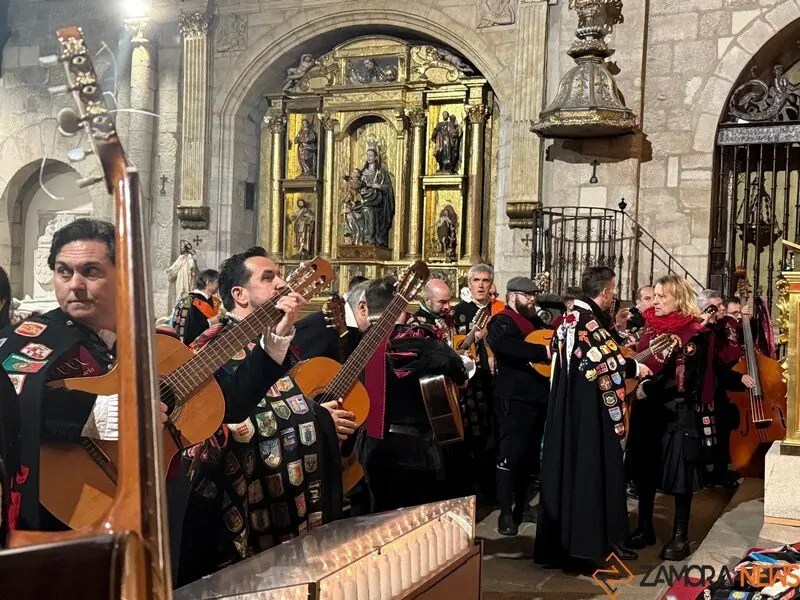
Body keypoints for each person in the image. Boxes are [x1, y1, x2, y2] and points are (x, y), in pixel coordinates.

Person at [178, 247, 350, 582]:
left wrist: (316, 414)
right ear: (239, 294)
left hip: (285, 499)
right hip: (238, 510)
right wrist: (318, 420)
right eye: (268, 277)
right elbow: (231, 419)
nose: (282, 284)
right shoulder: (212, 347)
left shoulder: (276, 343)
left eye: (281, 275)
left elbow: (284, 404)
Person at [624, 275, 752, 561]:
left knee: (680, 475)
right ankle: (644, 526)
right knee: (644, 470)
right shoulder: (649, 326)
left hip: (677, 412)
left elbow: (686, 377)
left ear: (678, 299)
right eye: (655, 295)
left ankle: (680, 537)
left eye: (662, 296)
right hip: (647, 410)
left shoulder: (694, 333)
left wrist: (648, 388)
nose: (656, 301)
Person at [535, 266, 650, 569]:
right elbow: (608, 360)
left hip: (568, 409)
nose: (614, 295)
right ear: (607, 291)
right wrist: (636, 368)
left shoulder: (569, 318)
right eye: (613, 289)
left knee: (568, 470)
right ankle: (588, 544)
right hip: (589, 413)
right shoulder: (588, 322)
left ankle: (565, 544)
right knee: (591, 470)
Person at [361, 277, 468, 512]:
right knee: (416, 518)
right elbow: (455, 366)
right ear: (400, 306)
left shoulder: (359, 341)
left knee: (381, 516)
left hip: (373, 446)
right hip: (413, 449)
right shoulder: (412, 341)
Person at [486, 276, 551, 536]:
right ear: (512, 296)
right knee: (510, 455)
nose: (532, 299)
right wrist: (542, 352)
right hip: (513, 398)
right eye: (527, 295)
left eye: (534, 294)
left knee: (529, 455)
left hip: (537, 396)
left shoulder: (535, 322)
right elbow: (504, 346)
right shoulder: (501, 321)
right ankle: (505, 513)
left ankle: (522, 507)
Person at [452, 265, 496, 502]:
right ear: (469, 284)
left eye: (485, 280)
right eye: (476, 280)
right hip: (470, 384)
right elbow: (454, 347)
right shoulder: (459, 311)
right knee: (473, 436)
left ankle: (490, 489)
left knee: (492, 434)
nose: (480, 285)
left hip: (494, 381)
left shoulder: (498, 310)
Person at [170, 269, 221, 345]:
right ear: (208, 283)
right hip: (193, 347)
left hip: (214, 344)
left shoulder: (216, 301)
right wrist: (209, 322)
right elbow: (186, 329)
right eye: (218, 282)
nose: (219, 286)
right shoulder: (188, 301)